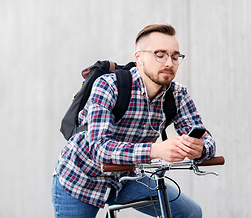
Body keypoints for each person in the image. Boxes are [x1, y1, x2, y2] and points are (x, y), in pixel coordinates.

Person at [52, 24, 216, 217]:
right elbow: (99, 148)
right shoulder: (108, 86)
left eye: (174, 56)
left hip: (126, 178)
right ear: (139, 58)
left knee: (189, 213)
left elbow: (207, 139)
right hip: (81, 177)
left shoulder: (178, 94)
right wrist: (156, 150)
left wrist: (200, 149)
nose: (169, 63)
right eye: (160, 54)